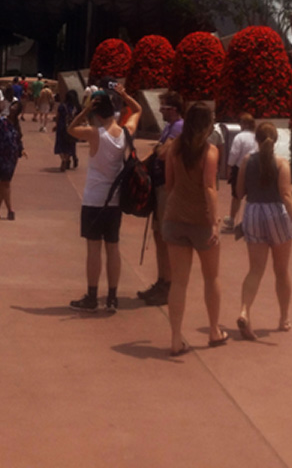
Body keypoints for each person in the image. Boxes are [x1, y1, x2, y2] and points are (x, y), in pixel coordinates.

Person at [67, 83, 141, 312]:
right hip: (115, 200)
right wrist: (124, 94)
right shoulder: (126, 131)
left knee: (93, 249)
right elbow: (138, 110)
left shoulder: (94, 134)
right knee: (113, 248)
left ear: (97, 112)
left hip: (93, 199)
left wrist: (84, 111)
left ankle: (91, 296)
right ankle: (112, 297)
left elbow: (71, 129)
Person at [162, 101, 227, 355]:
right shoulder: (209, 152)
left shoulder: (174, 147)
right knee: (211, 277)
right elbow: (210, 187)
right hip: (201, 220)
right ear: (208, 124)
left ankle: (176, 337)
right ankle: (213, 330)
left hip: (175, 216)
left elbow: (169, 184)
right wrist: (214, 221)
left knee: (179, 282)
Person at [235, 121, 292, 339]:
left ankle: (245, 310)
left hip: (253, 212)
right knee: (281, 270)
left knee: (255, 269)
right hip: (276, 214)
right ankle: (284, 318)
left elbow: (239, 192)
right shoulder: (282, 163)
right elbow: (286, 195)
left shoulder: (247, 161)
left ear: (256, 139)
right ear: (276, 140)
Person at [137, 90, 184, 306]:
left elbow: (165, 152)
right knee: (158, 234)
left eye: (164, 108)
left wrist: (157, 148)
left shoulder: (179, 127)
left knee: (165, 235)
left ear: (173, 109)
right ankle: (161, 279)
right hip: (158, 183)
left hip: (167, 185)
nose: (160, 111)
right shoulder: (168, 128)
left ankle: (169, 283)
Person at [222, 112, 257, 232]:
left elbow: (234, 154)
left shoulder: (239, 137)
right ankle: (251, 221)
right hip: (255, 168)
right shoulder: (256, 136)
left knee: (236, 195)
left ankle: (232, 219)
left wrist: (229, 168)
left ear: (244, 124)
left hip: (240, 168)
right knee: (252, 195)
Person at [0, 101, 26, 218]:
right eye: (13, 106)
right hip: (2, 156)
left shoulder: (15, 124)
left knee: (3, 183)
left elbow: (18, 139)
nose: (13, 108)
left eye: (16, 107)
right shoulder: (1, 122)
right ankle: (10, 210)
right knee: (6, 183)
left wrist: (22, 150)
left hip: (12, 157)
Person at [54, 89, 79, 170]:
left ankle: (63, 159)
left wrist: (56, 125)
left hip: (62, 127)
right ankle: (68, 159)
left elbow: (57, 116)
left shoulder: (62, 106)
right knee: (70, 144)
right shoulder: (77, 107)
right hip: (72, 128)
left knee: (60, 144)